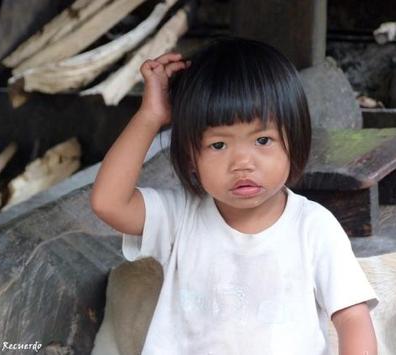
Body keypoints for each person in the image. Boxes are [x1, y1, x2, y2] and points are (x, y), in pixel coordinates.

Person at [90, 36, 379, 355]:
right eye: (218, 145)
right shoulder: (181, 217)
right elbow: (108, 202)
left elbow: (352, 318)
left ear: (294, 141)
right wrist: (150, 115)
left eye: (263, 140)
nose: (242, 162)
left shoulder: (313, 228)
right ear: (190, 158)